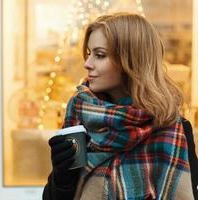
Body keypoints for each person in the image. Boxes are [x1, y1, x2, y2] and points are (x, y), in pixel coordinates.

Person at [43, 12, 198, 200]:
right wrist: (62, 176)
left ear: (131, 61)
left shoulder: (173, 129)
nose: (87, 64)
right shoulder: (80, 116)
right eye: (89, 54)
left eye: (100, 55)